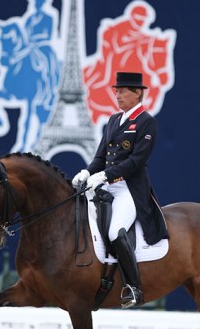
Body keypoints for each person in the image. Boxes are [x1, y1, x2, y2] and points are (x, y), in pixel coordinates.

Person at [72, 72, 169, 307]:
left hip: (129, 190)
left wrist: (105, 175)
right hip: (105, 186)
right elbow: (101, 156)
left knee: (116, 231)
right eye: (116, 90)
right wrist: (88, 172)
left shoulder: (147, 122)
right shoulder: (113, 121)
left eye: (123, 90)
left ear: (138, 93)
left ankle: (134, 288)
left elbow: (136, 161)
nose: (118, 95)